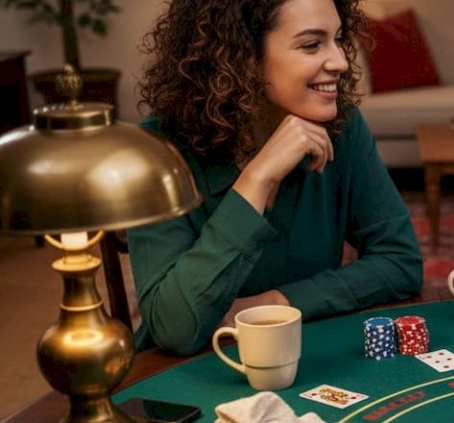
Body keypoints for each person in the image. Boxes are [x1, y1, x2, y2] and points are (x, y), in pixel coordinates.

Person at [131, 0, 423, 355]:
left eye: (338, 38)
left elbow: (400, 260)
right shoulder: (157, 151)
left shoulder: (341, 127)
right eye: (311, 44)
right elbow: (175, 329)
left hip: (304, 356)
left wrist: (276, 303)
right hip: (191, 376)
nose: (341, 62)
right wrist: (257, 178)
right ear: (243, 56)